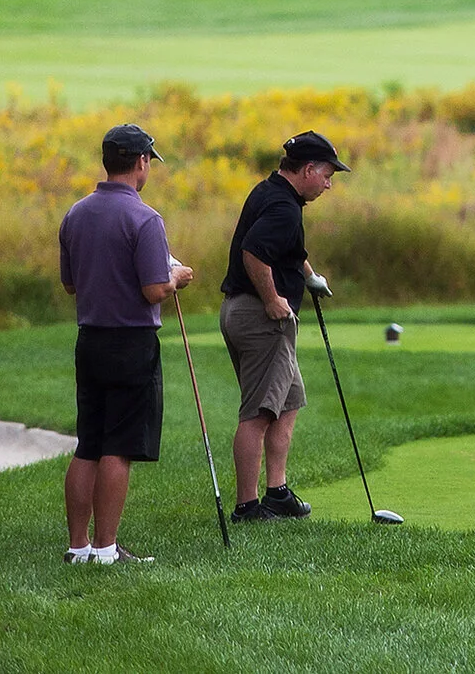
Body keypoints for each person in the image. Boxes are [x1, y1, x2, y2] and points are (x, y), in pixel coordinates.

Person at [57, 121, 193, 564]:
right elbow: (154, 289)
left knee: (89, 444)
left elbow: (70, 285)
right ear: (141, 162)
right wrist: (176, 277)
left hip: (90, 340)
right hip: (131, 343)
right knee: (118, 446)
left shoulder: (76, 214)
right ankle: (106, 549)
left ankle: (78, 546)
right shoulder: (145, 218)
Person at [217, 130, 346, 524]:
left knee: (288, 403)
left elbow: (284, 250)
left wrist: (309, 276)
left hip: (247, 312)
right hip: (260, 317)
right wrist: (273, 299)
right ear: (307, 169)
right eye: (326, 175)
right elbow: (254, 253)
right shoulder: (284, 208)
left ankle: (277, 492)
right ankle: (247, 507)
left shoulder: (272, 192)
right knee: (258, 414)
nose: (328, 184)